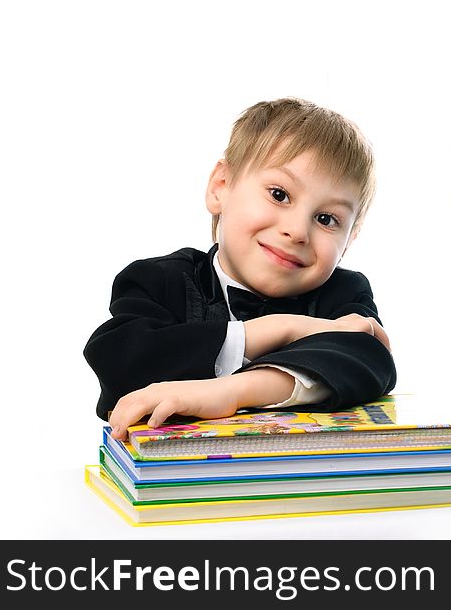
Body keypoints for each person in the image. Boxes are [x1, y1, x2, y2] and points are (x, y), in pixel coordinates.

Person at [84, 97, 396, 440]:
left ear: (349, 240)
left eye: (326, 219)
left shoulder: (344, 292)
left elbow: (369, 360)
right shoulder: (159, 281)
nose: (297, 231)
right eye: (279, 194)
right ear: (221, 187)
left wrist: (230, 391)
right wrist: (281, 328)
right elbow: (119, 360)